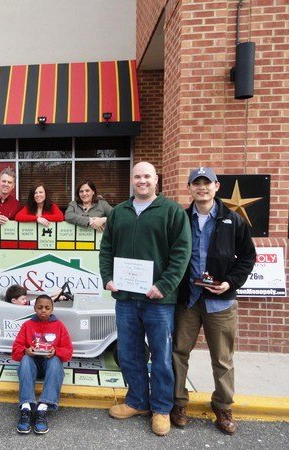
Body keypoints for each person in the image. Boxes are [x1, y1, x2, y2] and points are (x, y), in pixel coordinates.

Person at [99, 161, 191, 436]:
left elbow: (181, 252)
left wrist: (164, 285)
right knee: (129, 352)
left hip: (159, 300)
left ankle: (161, 408)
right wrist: (107, 278)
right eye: (137, 176)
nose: (142, 181)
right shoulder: (119, 212)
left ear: (156, 180)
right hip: (126, 297)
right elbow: (107, 249)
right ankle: (137, 400)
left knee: (162, 355)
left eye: (147, 176)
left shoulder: (172, 212)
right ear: (132, 179)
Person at [171, 167, 256, 435]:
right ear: (189, 189)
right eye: (196, 184)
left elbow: (247, 257)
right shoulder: (181, 219)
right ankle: (178, 402)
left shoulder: (233, 220)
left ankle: (222, 405)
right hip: (188, 300)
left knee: (222, 358)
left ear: (216, 186)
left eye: (206, 183)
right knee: (179, 353)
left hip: (220, 302)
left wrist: (230, 282)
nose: (202, 188)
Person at [11, 294, 73, 435]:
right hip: (31, 366)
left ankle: (42, 408)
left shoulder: (59, 326)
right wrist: (25, 350)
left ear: (52, 309)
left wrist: (55, 351)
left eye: (47, 307)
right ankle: (26, 408)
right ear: (34, 308)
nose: (43, 311)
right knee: (25, 359)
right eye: (39, 307)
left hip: (49, 368)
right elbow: (15, 351)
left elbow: (68, 352)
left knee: (55, 361)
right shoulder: (27, 325)